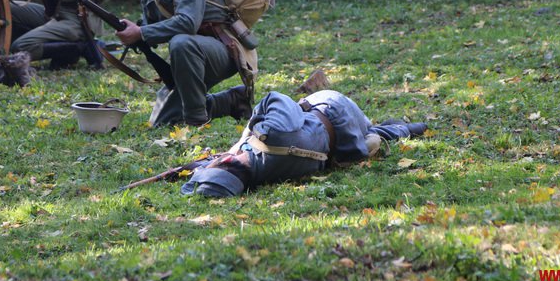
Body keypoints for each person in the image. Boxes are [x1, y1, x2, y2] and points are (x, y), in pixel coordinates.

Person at [112, 0, 256, 127]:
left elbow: (188, 23)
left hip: (225, 49)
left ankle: (196, 119)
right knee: (163, 122)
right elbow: (151, 28)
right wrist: (133, 34)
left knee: (181, 42)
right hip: (192, 56)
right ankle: (232, 101)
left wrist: (141, 32)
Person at [181, 89, 427, 197]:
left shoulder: (259, 178)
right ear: (225, 159)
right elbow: (274, 99)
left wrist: (203, 169)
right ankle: (399, 128)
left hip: (346, 150)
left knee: (374, 135)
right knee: (366, 127)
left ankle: (399, 130)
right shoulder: (270, 134)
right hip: (336, 110)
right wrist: (244, 138)